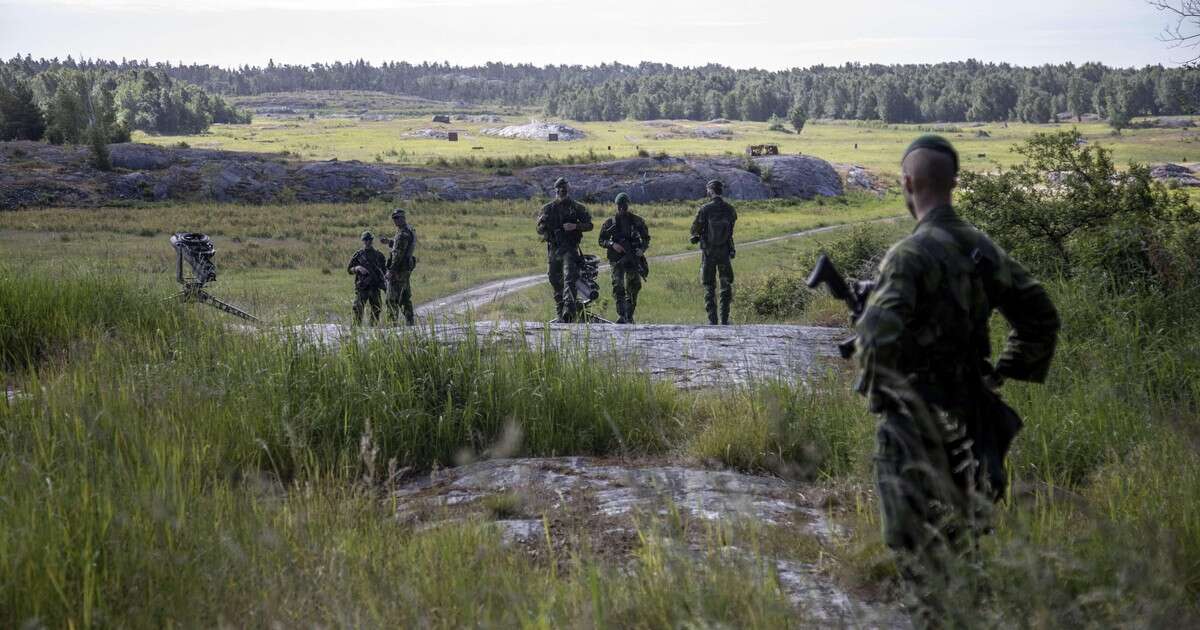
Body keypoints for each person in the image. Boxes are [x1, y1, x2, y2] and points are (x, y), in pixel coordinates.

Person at [853, 135, 1060, 625]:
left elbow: (878, 336)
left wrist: (881, 395)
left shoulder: (909, 254)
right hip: (973, 413)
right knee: (962, 538)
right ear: (955, 182)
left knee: (916, 548)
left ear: (907, 184)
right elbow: (1040, 317)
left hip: (916, 419)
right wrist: (1002, 372)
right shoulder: (981, 249)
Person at [536, 177, 593, 322]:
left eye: (564, 190)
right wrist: (543, 227)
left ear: (568, 190)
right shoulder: (548, 208)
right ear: (556, 191)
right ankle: (561, 309)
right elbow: (539, 229)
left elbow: (589, 225)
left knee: (569, 277)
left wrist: (575, 226)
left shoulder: (576, 207)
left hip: (570, 247)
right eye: (560, 190)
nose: (562, 192)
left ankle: (569, 309)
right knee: (554, 277)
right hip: (554, 248)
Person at [598, 192, 651, 324]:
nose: (622, 208)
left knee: (634, 286)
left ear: (628, 205)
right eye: (620, 206)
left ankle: (629, 314)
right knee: (618, 286)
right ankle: (622, 315)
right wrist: (612, 244)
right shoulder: (610, 222)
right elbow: (601, 240)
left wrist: (641, 249)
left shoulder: (637, 221)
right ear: (617, 206)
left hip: (633, 258)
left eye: (624, 205)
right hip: (616, 259)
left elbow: (646, 238)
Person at [689, 179, 737, 325]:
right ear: (721, 191)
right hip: (724, 252)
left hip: (709, 253)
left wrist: (697, 236)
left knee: (709, 285)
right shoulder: (730, 209)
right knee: (725, 284)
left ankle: (712, 320)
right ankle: (724, 319)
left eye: (708, 190)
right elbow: (731, 230)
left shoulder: (704, 209)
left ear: (711, 190)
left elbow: (694, 230)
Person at [382, 208, 417, 326]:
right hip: (405, 269)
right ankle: (410, 323)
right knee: (405, 297)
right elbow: (402, 247)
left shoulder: (402, 233)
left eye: (397, 218)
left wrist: (391, 271)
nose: (395, 220)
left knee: (391, 299)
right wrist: (390, 242)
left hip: (399, 270)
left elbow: (398, 254)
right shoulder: (409, 230)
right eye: (394, 218)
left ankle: (392, 327)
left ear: (403, 218)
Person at [346, 230, 387, 325]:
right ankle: (356, 330)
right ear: (363, 241)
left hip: (375, 287)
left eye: (369, 239)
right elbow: (349, 270)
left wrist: (385, 284)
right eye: (365, 239)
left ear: (372, 240)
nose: (367, 241)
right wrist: (358, 268)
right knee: (357, 309)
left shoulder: (379, 255)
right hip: (362, 287)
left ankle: (373, 331)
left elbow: (384, 272)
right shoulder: (359, 255)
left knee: (376, 310)